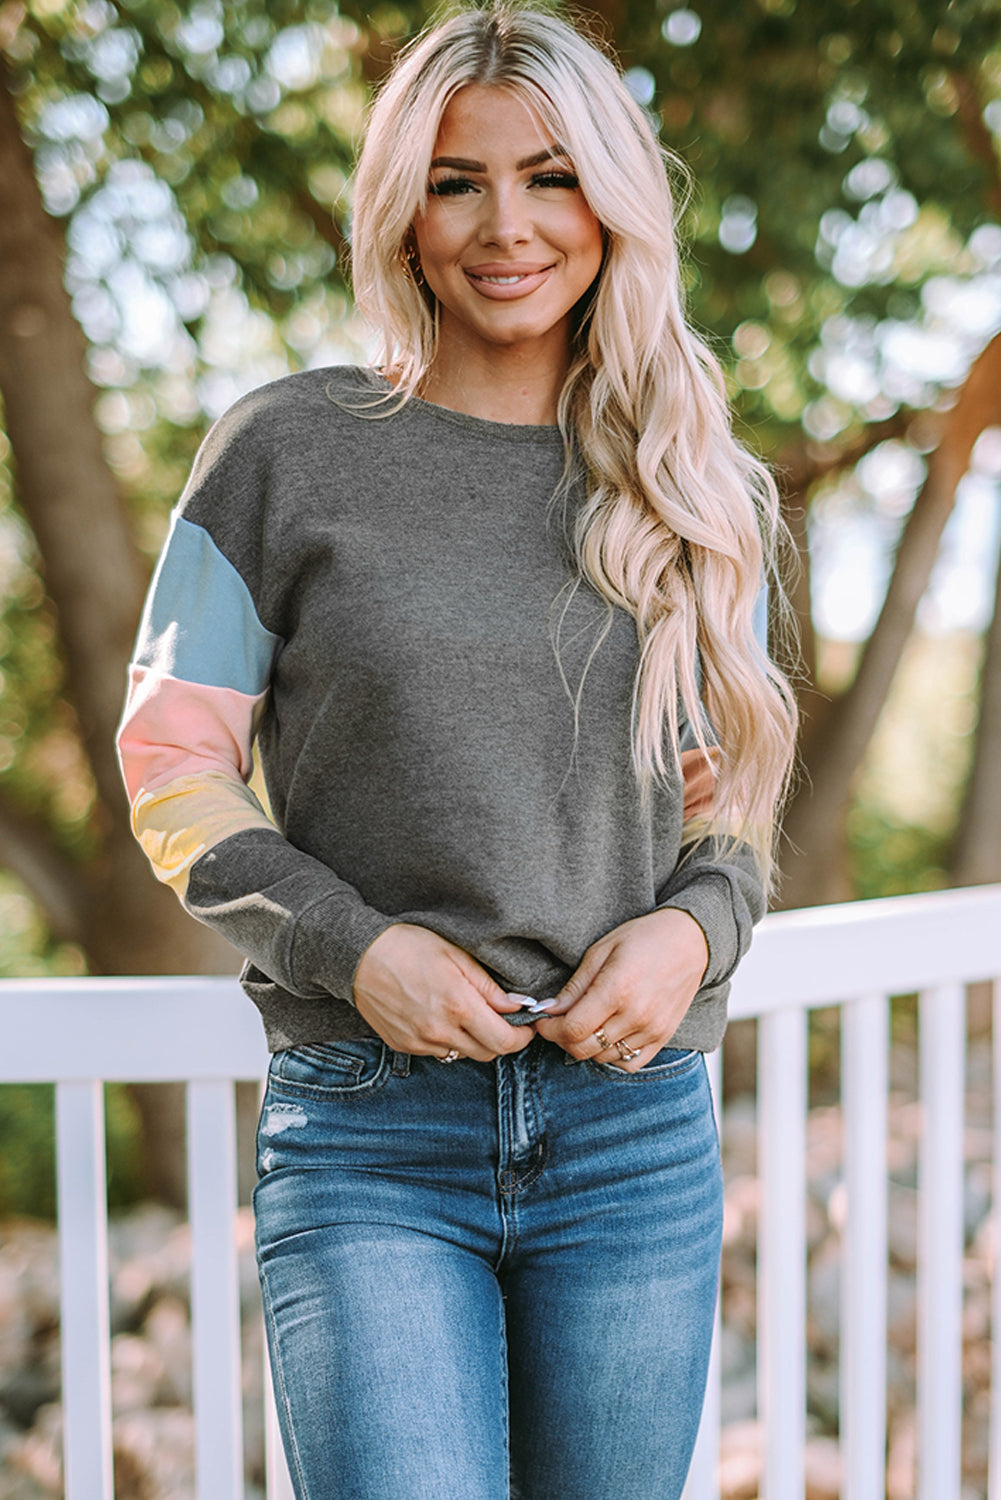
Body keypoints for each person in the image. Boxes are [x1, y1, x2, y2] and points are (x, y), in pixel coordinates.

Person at [117, 5, 798, 1497]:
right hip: (369, 1135)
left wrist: (693, 935)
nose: (507, 227)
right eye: (454, 180)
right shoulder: (282, 451)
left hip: (632, 1140)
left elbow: (726, 810)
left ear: (611, 202)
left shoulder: (691, 484)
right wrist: (354, 949)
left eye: (551, 177)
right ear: (399, 212)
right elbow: (172, 763)